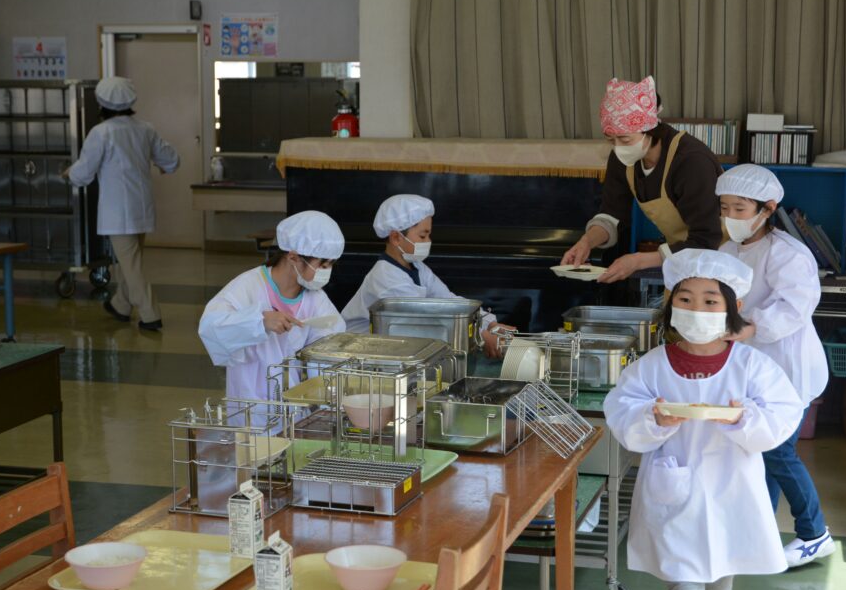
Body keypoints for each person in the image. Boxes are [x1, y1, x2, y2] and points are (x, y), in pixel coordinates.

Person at [603, 249, 804, 590]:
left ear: (734, 307)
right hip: (673, 499)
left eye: (710, 301)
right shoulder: (650, 367)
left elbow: (782, 417)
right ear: (670, 302)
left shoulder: (752, 366)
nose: (697, 309)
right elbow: (622, 415)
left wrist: (744, 417)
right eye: (685, 299)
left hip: (732, 494)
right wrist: (652, 418)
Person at [717, 164, 835, 568]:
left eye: (739, 209)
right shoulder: (728, 251)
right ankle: (761, 532)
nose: (730, 217)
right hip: (752, 368)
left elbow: (795, 307)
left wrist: (750, 326)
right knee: (758, 449)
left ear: (767, 209)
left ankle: (814, 533)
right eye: (725, 208)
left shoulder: (788, 254)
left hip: (788, 369)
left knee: (778, 451)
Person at [561, 76, 724, 283]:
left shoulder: (691, 161)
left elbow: (706, 239)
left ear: (650, 129)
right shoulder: (623, 157)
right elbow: (612, 215)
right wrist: (586, 242)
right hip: (678, 262)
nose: (618, 147)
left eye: (625, 139)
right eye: (611, 140)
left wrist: (638, 261)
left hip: (719, 260)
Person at [66, 77, 179, 331]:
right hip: (142, 207)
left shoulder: (101, 132)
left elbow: (84, 172)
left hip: (117, 212)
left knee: (131, 265)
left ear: (101, 103)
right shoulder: (145, 129)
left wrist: (70, 173)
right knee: (132, 261)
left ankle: (150, 314)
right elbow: (171, 160)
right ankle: (121, 304)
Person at [340, 194, 514, 357]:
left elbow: (448, 301)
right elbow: (426, 324)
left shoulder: (417, 267)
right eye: (423, 236)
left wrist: (489, 323)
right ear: (396, 238)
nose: (428, 241)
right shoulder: (386, 279)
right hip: (360, 355)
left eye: (429, 235)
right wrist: (480, 336)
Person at [199, 210, 346, 401]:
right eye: (323, 265)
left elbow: (329, 348)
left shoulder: (315, 298)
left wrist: (327, 400)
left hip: (294, 405)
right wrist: (258, 321)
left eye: (331, 265)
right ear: (293, 257)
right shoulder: (249, 286)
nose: (327, 272)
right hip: (250, 403)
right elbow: (211, 328)